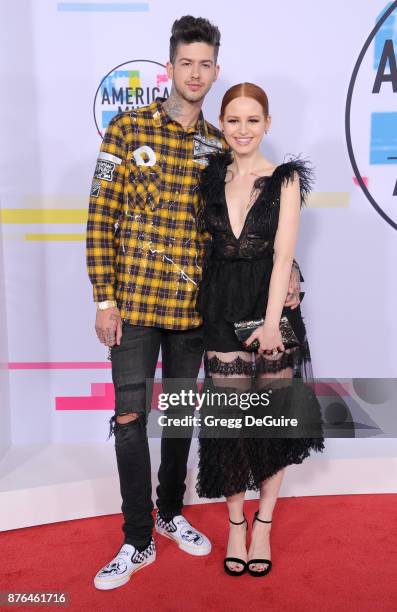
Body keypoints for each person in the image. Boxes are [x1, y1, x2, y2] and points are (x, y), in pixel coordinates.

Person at [86, 16, 302, 590]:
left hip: (193, 314)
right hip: (131, 305)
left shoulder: (218, 144)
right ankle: (136, 540)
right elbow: (99, 217)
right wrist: (103, 298)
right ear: (171, 67)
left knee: (179, 417)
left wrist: (290, 278)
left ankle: (169, 511)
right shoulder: (126, 130)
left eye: (206, 64)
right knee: (131, 419)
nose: (196, 73)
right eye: (187, 62)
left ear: (215, 70)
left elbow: (241, 234)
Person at [195, 83, 324, 577]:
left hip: (269, 309)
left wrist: (272, 323)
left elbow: (283, 256)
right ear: (222, 125)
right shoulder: (211, 176)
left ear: (267, 123)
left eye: (253, 120)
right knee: (228, 426)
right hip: (220, 307)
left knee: (271, 426)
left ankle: (264, 524)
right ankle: (234, 522)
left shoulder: (284, 179)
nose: (243, 129)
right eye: (233, 120)